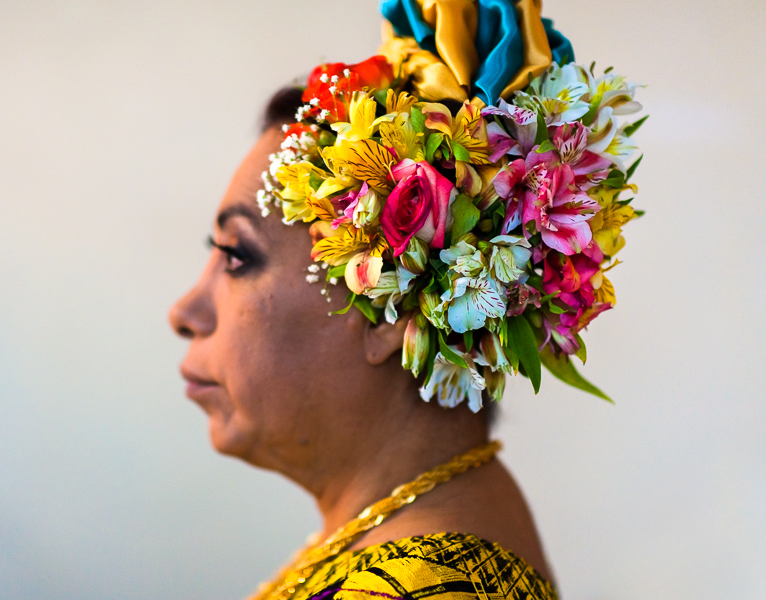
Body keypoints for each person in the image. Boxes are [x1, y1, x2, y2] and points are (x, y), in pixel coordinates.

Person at [170, 1, 643, 598]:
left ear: (393, 301)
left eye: (236, 256)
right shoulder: (402, 540)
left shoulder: (428, 586)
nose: (185, 312)